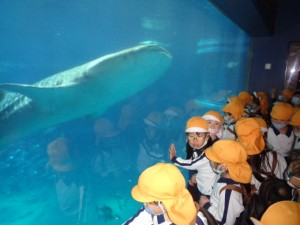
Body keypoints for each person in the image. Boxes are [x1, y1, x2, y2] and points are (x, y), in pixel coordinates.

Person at [122, 163, 209, 225]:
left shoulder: (197, 222)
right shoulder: (158, 209)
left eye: (148, 202)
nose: (144, 205)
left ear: (162, 203)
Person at [199, 139, 252, 225]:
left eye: (212, 159)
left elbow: (224, 222)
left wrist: (206, 205)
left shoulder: (229, 192)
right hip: (216, 206)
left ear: (223, 167)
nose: (209, 160)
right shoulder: (224, 174)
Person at [169, 116, 216, 201]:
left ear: (207, 135)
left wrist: (174, 158)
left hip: (209, 191)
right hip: (202, 183)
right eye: (191, 136)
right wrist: (197, 177)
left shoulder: (208, 153)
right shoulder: (199, 148)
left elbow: (192, 164)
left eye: (199, 136)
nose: (195, 140)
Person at [235, 118, 287, 193]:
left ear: (238, 140)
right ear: (261, 136)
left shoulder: (239, 163)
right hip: (276, 198)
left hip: (257, 202)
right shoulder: (277, 156)